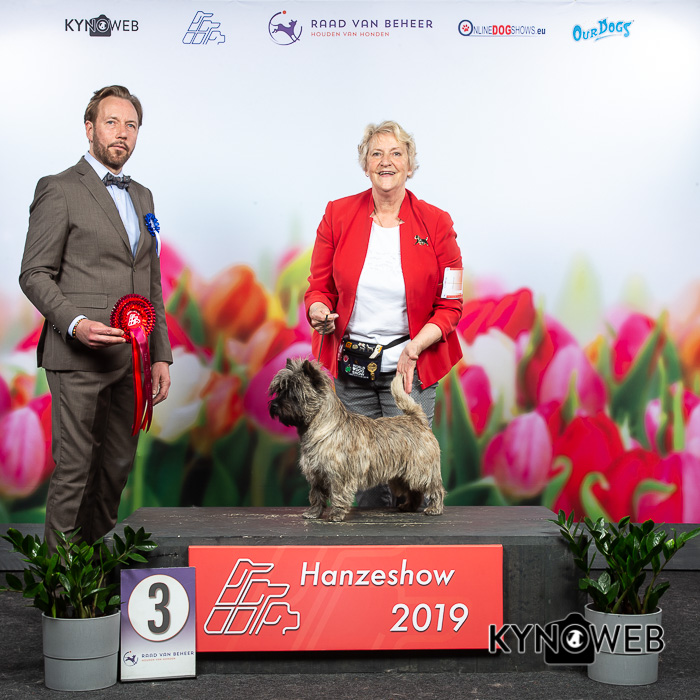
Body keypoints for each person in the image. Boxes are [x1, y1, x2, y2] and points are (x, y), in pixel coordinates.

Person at [19, 85, 172, 549]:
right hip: (77, 357)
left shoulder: (143, 195)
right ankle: (62, 585)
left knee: (114, 472)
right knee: (75, 470)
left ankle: (95, 577)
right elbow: (34, 273)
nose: (122, 133)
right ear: (89, 129)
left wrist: (160, 355)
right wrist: (75, 323)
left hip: (133, 362)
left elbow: (151, 282)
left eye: (131, 125)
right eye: (111, 122)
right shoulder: (59, 188)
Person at [304, 120, 463, 507]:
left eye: (396, 153)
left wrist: (415, 347)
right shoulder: (337, 214)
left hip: (409, 372)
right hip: (352, 372)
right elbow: (318, 287)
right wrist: (319, 310)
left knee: (410, 485)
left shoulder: (437, 223)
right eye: (376, 153)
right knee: (361, 486)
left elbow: (451, 305)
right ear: (365, 165)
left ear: (410, 164)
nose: (386, 161)